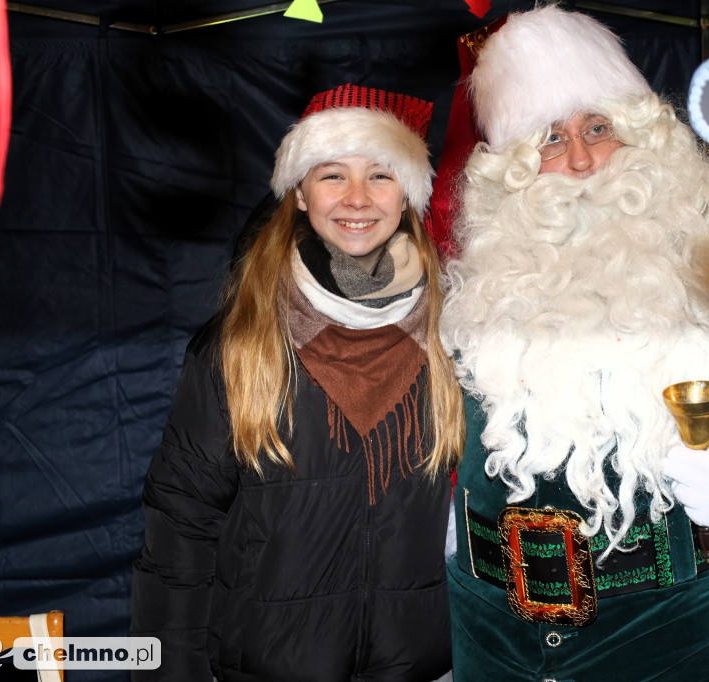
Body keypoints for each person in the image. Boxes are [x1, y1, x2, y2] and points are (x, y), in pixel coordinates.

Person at [433, 7, 709, 682]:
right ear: (518, 170)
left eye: (599, 127)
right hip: (491, 632)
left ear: (644, 133)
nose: (583, 159)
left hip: (678, 633)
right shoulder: (473, 287)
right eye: (550, 141)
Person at [129, 83, 464, 681]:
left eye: (382, 176)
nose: (357, 198)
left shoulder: (454, 339)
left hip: (423, 667)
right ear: (301, 195)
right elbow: (180, 526)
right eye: (332, 175)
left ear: (409, 196)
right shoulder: (242, 346)